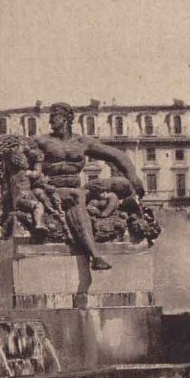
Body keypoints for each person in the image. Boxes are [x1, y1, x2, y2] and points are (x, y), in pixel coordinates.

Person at [32, 103, 146, 270]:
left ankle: (137, 223)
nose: (50, 121)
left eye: (54, 116)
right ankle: (95, 256)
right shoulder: (42, 141)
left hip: (78, 187)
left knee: (121, 184)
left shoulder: (82, 142)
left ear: (66, 118)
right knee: (76, 197)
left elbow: (118, 156)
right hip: (53, 191)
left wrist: (134, 178)